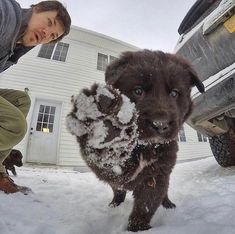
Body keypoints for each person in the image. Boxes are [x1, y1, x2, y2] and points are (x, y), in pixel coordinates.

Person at [0, 0, 71, 194]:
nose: (46, 34)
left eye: (53, 35)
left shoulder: (15, 48)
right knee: (16, 125)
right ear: (35, 9)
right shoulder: (6, 16)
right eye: (48, 22)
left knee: (21, 99)